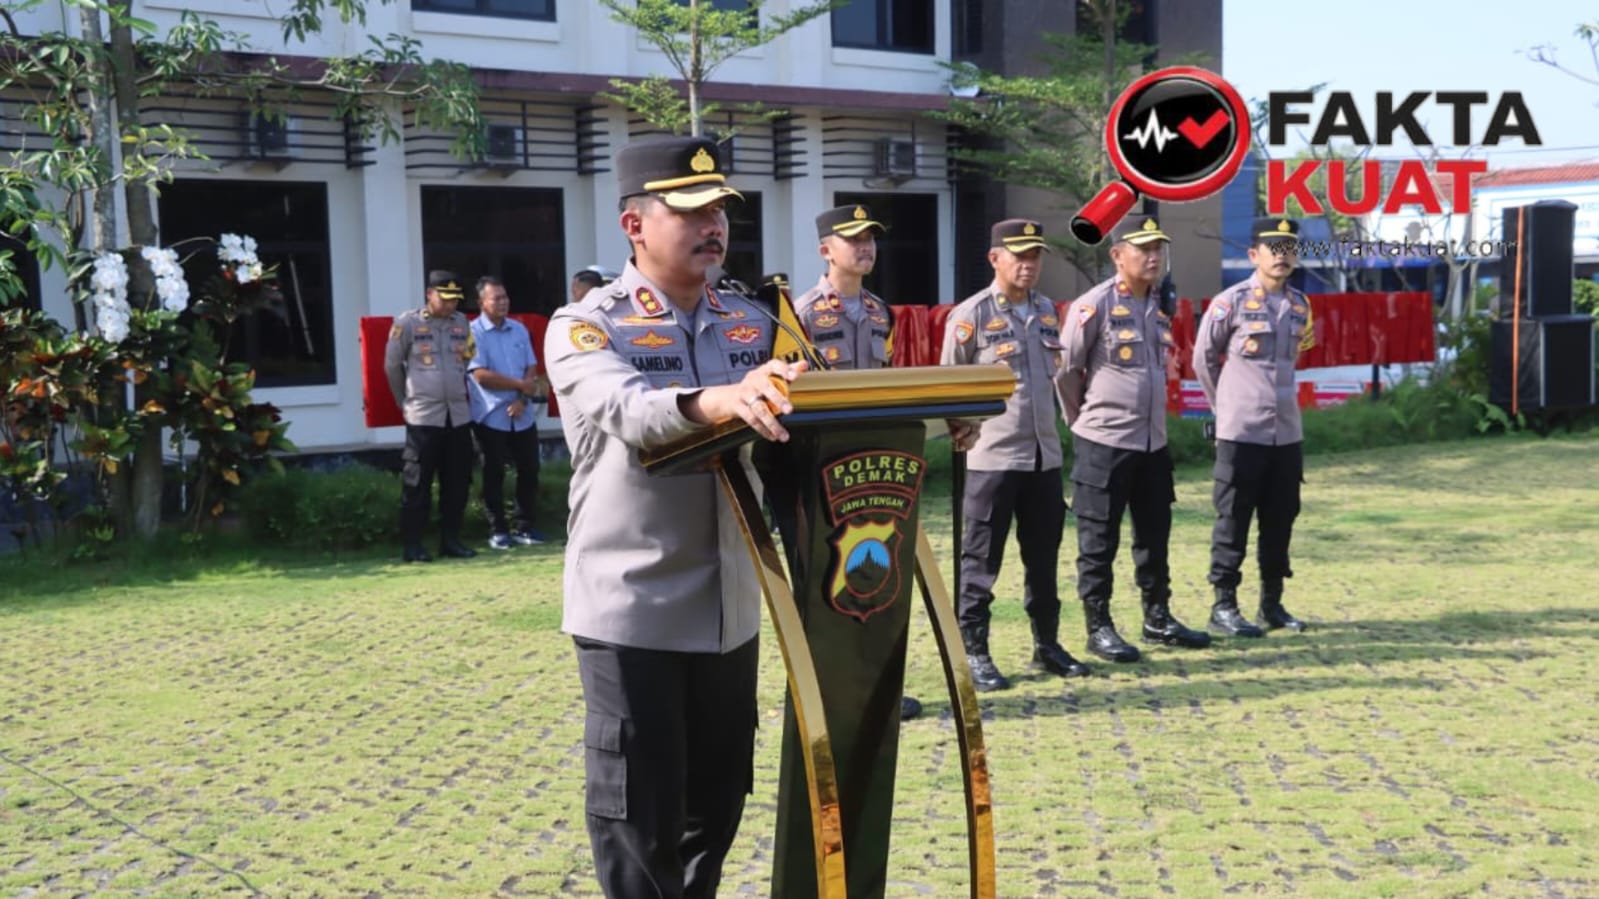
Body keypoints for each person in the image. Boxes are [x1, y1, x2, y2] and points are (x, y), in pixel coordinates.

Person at [544, 135, 806, 899]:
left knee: (714, 809)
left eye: (719, 210)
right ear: (634, 225)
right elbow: (630, 411)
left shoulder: (752, 321)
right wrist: (719, 400)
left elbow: (809, 420)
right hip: (634, 609)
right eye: (690, 211)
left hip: (729, 609)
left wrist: (919, 421)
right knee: (639, 817)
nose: (712, 225)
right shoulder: (587, 325)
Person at [940, 219, 1091, 692]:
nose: (1028, 264)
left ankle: (1047, 644)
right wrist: (964, 432)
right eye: (1019, 255)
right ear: (995, 258)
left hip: (1043, 459)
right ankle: (974, 652)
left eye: (1035, 255)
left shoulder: (1046, 310)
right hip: (992, 459)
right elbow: (950, 384)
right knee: (980, 562)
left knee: (1043, 560)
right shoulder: (971, 315)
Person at [1057, 216, 1212, 663]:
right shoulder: (1095, 305)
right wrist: (1083, 420)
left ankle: (1157, 616)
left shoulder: (1159, 304)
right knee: (1098, 539)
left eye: (1157, 248)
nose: (1152, 256)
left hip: (1151, 443)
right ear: (1117, 255)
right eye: (1143, 248)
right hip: (1104, 441)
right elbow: (1066, 370)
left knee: (1154, 534)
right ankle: (1098, 626)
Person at [790, 204, 922, 722]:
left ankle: (874, 687)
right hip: (821, 467)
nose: (866, 247)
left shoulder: (879, 312)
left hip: (873, 468)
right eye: (854, 239)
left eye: (871, 239)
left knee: (875, 575)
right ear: (826, 250)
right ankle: (825, 692)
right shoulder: (802, 314)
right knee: (824, 581)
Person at [1194, 217, 1314, 635]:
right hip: (1241, 432)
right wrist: (1225, 407)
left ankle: (1272, 604)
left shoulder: (1299, 305)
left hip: (1286, 432)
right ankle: (1223, 605)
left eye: (1289, 248)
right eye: (1273, 248)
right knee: (1233, 518)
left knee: (1281, 519)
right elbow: (1203, 360)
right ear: (1253, 255)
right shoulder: (1230, 302)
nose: (1282, 256)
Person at [384, 269, 478, 563]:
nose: (451, 304)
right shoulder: (408, 323)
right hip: (423, 417)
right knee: (417, 484)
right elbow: (392, 366)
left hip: (457, 416)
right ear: (429, 294)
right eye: (445, 298)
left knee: (457, 482)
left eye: (455, 299)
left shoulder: (461, 323)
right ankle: (413, 545)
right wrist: (405, 403)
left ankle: (451, 540)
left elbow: (467, 360)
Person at [466, 275, 548, 550]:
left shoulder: (519, 329)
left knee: (529, 469)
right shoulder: (472, 332)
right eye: (496, 298)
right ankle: (498, 530)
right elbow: (480, 375)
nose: (503, 302)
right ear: (482, 303)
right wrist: (519, 386)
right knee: (494, 473)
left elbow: (531, 367)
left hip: (522, 412)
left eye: (505, 297)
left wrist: (523, 397)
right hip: (491, 415)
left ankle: (526, 527)